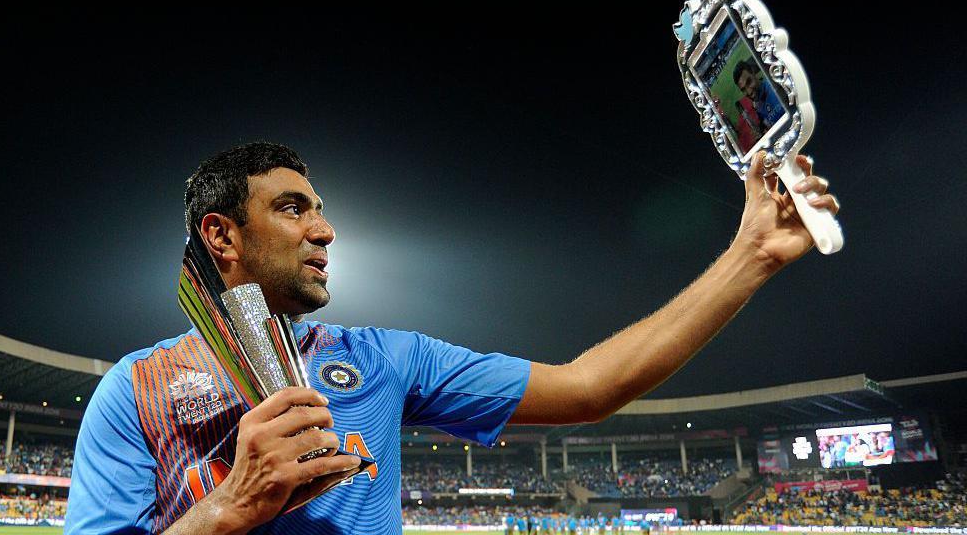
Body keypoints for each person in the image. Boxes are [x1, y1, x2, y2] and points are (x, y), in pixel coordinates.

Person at [65, 140, 839, 534]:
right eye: (294, 209)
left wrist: (753, 256)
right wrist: (229, 508)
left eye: (320, 209)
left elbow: (590, 388)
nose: (326, 230)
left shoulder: (383, 360)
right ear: (222, 235)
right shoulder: (133, 392)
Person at [733, 59, 786, 132]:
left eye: (749, 82)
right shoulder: (758, 107)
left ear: (753, 72)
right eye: (743, 90)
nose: (749, 92)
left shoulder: (776, 85)